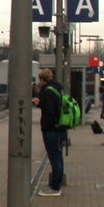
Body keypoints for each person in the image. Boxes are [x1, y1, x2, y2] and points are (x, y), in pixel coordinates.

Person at [32, 68, 64, 196]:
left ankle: (55, 187)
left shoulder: (48, 91)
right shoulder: (56, 88)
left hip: (52, 129)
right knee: (58, 157)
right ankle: (57, 184)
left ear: (42, 79)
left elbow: (50, 111)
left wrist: (46, 125)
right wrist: (40, 103)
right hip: (59, 128)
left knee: (54, 158)